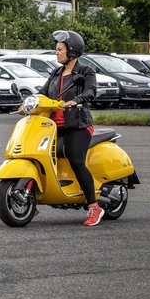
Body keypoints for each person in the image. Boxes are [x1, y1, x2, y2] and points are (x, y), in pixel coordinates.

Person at [42, 30, 103, 226]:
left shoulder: (85, 71)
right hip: (54, 126)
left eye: (60, 49)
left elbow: (91, 91)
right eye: (56, 49)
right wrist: (30, 101)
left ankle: (94, 207)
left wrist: (75, 100)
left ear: (72, 51)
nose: (57, 53)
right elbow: (43, 93)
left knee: (76, 160)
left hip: (78, 124)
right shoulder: (56, 73)